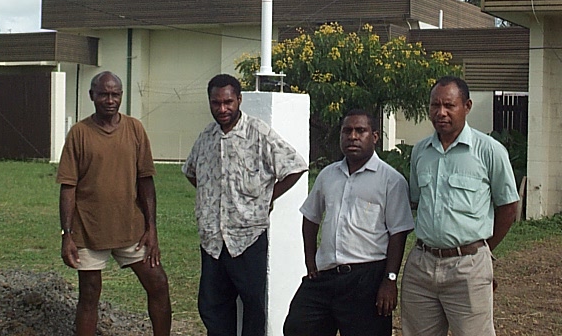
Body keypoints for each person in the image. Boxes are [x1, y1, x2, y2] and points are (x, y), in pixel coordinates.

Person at [182, 73, 308, 336]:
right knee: (213, 308)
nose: (222, 109)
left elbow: (295, 166)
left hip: (247, 236)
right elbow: (191, 171)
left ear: (239, 100)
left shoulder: (258, 133)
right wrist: (212, 197)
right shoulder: (207, 136)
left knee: (253, 306)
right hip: (213, 240)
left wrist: (267, 198)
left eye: (228, 102)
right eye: (216, 103)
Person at [401, 75, 520, 336]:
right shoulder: (420, 151)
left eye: (449, 105)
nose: (441, 112)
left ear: (467, 106)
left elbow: (508, 207)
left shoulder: (489, 150)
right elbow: (416, 200)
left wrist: (482, 251)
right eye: (435, 105)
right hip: (422, 267)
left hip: (468, 268)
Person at [57, 71, 171, 336]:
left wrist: (151, 228)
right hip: (89, 230)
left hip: (131, 229)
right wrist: (67, 235)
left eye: (115, 95)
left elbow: (146, 181)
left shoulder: (134, 129)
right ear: (92, 96)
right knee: (89, 295)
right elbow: (68, 187)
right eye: (104, 95)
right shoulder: (79, 133)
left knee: (158, 283)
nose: (110, 100)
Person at [283, 109, 414, 336]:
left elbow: (398, 234)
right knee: (297, 327)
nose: (353, 136)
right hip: (325, 276)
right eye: (347, 131)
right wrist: (310, 261)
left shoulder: (391, 180)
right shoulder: (328, 175)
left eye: (360, 131)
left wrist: (390, 280)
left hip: (366, 278)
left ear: (374, 136)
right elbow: (311, 217)